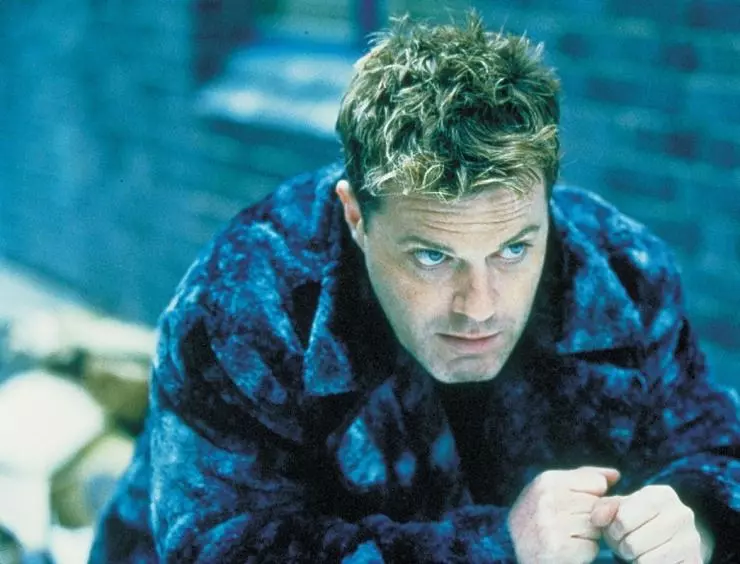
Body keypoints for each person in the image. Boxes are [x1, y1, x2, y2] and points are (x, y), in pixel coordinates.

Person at [89, 13, 740, 563]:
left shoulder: (625, 273)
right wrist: (492, 549)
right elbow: (221, 548)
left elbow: (715, 445)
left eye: (514, 249)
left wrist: (698, 515)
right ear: (356, 216)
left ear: (548, 202)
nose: (480, 306)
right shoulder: (241, 307)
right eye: (432, 256)